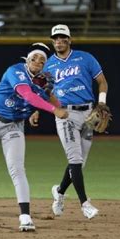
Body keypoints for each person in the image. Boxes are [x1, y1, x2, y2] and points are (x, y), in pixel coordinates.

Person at [0, 43, 69, 231]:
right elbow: (28, 95)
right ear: (27, 59)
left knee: (17, 169)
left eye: (42, 60)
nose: (37, 62)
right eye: (34, 58)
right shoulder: (15, 70)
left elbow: (50, 97)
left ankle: (25, 216)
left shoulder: (46, 80)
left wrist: (56, 108)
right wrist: (53, 110)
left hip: (14, 126)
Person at [30, 24, 109, 219]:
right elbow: (41, 91)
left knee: (79, 163)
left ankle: (60, 192)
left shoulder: (85, 58)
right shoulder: (48, 65)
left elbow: (102, 82)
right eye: (55, 38)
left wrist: (101, 103)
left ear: (69, 39)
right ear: (53, 41)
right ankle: (85, 204)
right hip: (65, 114)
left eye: (62, 37)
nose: (59, 41)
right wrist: (35, 110)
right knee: (75, 159)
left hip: (90, 114)